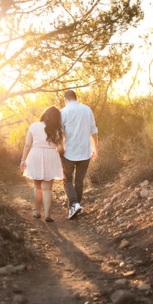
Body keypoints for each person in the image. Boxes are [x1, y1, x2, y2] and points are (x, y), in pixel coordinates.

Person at [20, 106, 64, 222]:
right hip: (51, 156)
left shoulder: (34, 126)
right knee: (47, 189)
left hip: (35, 155)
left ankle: (37, 212)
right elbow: (60, 148)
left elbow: (27, 145)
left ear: (44, 115)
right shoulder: (57, 130)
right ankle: (48, 215)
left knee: (37, 187)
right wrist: (56, 146)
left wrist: (23, 160)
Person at [60, 90, 98, 220]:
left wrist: (59, 149)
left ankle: (74, 205)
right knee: (79, 181)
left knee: (66, 180)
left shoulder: (63, 112)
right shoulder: (87, 109)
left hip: (68, 152)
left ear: (65, 99)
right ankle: (76, 208)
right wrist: (95, 149)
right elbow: (93, 131)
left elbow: (60, 134)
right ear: (76, 98)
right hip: (85, 151)